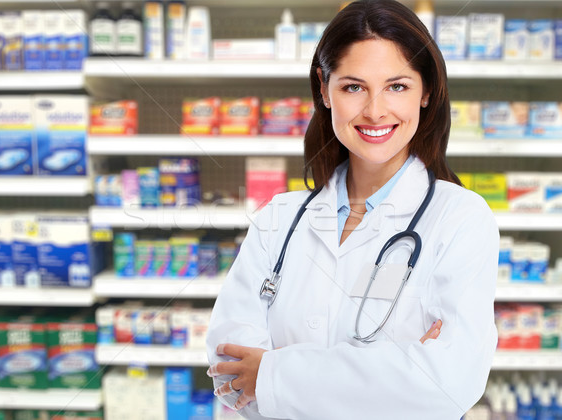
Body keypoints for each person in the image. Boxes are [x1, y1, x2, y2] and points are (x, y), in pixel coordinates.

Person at [206, 1, 499, 419]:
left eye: (397, 86)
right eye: (353, 87)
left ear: (427, 91)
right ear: (325, 89)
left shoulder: (461, 219)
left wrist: (271, 375)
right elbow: (229, 372)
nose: (376, 110)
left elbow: (447, 383)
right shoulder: (279, 219)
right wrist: (391, 374)